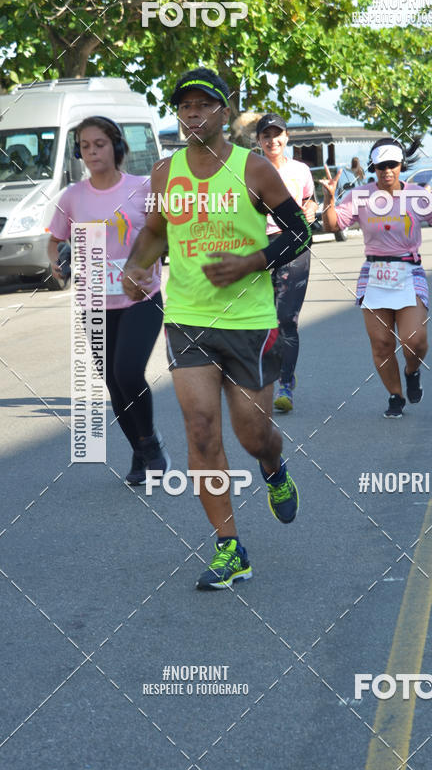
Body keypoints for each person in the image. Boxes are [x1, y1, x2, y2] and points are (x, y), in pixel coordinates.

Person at [122, 67, 311, 590]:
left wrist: (251, 262)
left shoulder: (254, 169)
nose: (193, 114)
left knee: (253, 436)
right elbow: (155, 231)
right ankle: (230, 547)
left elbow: (300, 233)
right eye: (185, 106)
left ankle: (274, 467)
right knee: (202, 431)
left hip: (250, 321)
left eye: (203, 105)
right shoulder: (165, 173)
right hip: (187, 319)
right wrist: (137, 265)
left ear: (224, 112)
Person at [48, 116, 170, 485]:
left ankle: (151, 446)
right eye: (85, 146)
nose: (92, 152)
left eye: (99, 144)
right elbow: (55, 240)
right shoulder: (72, 196)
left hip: (141, 297)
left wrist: (147, 264)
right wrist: (56, 262)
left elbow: (163, 232)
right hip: (95, 303)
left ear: (116, 146)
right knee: (114, 385)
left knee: (127, 372)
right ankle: (141, 450)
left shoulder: (143, 188)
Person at [320, 137, 432, 417]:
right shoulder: (360, 196)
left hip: (409, 270)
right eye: (381, 166)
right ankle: (395, 395)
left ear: (401, 165)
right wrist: (328, 199)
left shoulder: (417, 195)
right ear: (373, 168)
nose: (387, 171)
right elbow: (332, 225)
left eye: (392, 164)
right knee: (382, 344)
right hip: (375, 273)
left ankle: (412, 371)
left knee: (414, 341)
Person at [256, 113, 317, 413]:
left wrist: (313, 209)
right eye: (266, 136)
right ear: (258, 141)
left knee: (286, 319)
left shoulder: (300, 170)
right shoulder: (249, 170)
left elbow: (310, 200)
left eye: (277, 134)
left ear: (287, 137)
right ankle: (264, 378)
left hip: (293, 245)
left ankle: (285, 385)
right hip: (259, 246)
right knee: (261, 320)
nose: (272, 141)